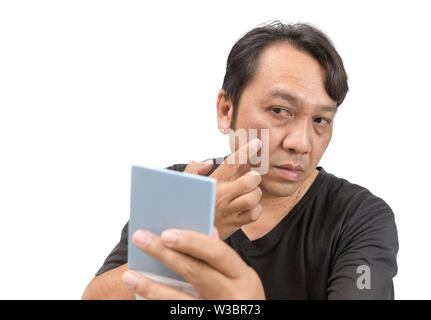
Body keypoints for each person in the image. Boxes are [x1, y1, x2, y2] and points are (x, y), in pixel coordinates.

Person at [82, 20, 398, 300]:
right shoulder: (184, 186)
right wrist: (198, 227)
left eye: (321, 120)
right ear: (226, 110)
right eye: (280, 111)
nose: (301, 143)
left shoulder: (359, 216)